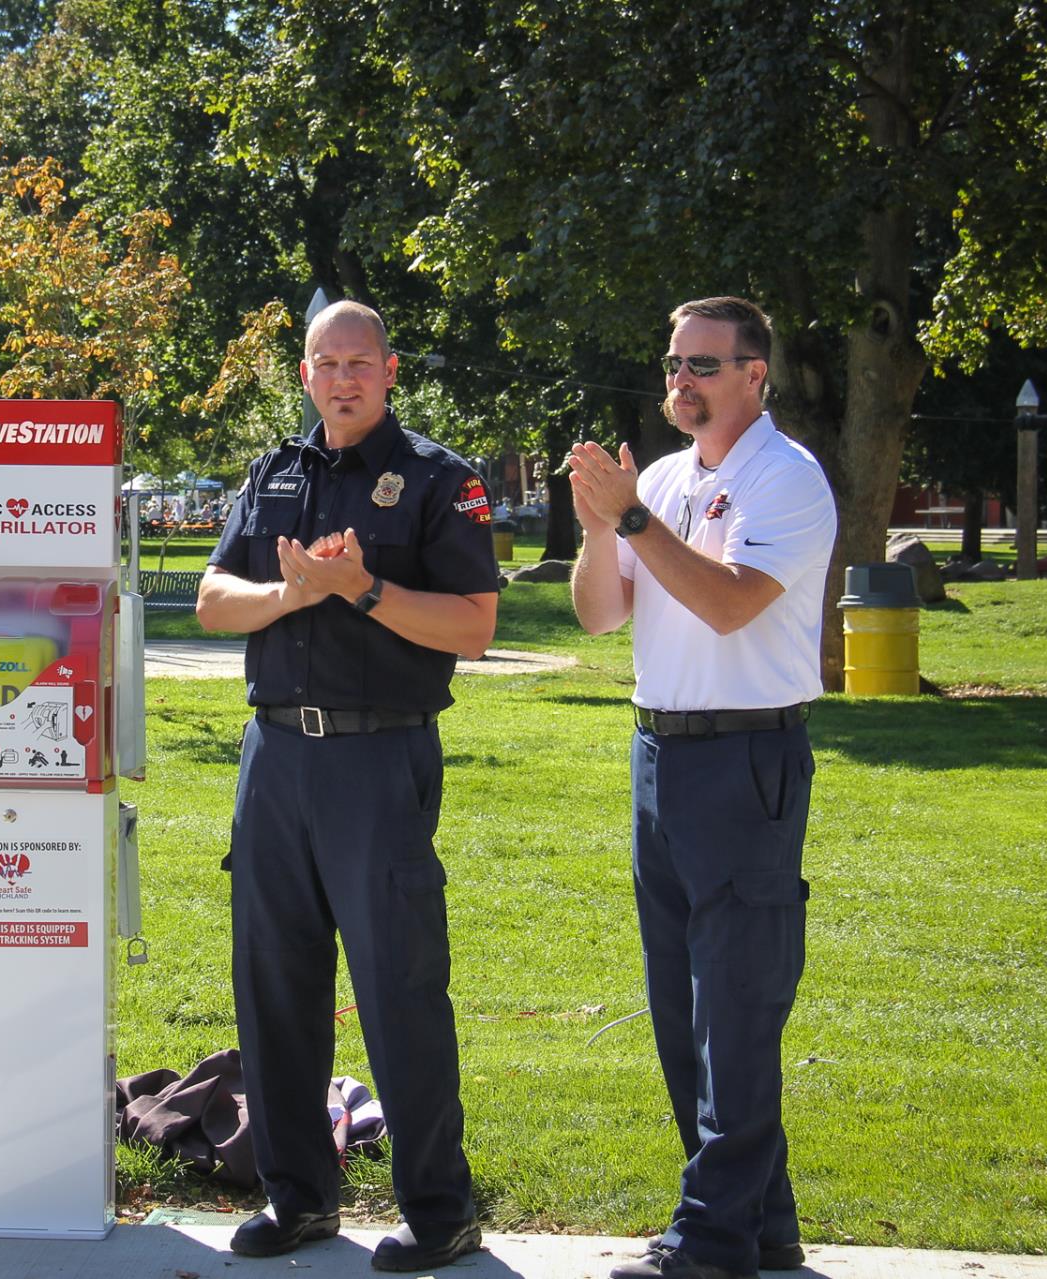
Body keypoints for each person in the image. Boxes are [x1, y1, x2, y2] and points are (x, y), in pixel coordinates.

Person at [196, 300, 501, 1273]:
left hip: (379, 758)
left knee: (399, 986)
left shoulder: (438, 481)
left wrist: (363, 589)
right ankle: (299, 1199)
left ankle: (441, 1209)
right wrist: (294, 592)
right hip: (276, 755)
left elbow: (474, 625)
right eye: (327, 363)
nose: (344, 379)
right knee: (275, 985)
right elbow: (212, 600)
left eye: (360, 363)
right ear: (305, 374)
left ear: (390, 369)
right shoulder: (274, 472)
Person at [566, 297, 836, 1279]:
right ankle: (760, 1223)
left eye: (705, 366)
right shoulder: (671, 478)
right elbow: (600, 615)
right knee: (683, 1011)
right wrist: (604, 528)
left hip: (745, 759)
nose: (681, 382)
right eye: (674, 364)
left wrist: (632, 512)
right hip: (661, 753)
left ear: (755, 374)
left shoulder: (786, 479)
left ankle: (711, 1237)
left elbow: (727, 606)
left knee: (736, 1002)